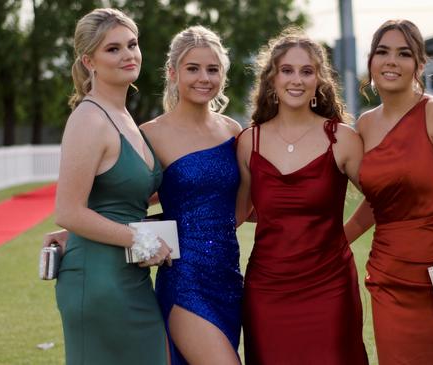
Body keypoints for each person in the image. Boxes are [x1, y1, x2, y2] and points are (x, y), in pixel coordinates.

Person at [346, 19, 433, 364]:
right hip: (389, 279)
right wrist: (333, 240)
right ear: (371, 62)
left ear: (419, 65)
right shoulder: (364, 125)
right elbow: (381, 202)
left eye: (403, 53)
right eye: (382, 52)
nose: (391, 61)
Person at [235, 28, 369, 364]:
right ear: (272, 79)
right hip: (267, 291)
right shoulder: (248, 142)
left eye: (306, 71)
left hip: (330, 288)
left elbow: (382, 199)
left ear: (318, 81)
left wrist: (342, 238)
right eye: (287, 70)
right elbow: (236, 213)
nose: (297, 80)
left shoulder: (342, 139)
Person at [49, 8, 171, 365]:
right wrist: (141, 239)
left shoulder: (124, 116)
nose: (128, 55)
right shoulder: (89, 118)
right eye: (113, 49)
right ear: (90, 61)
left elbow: (127, 195)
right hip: (97, 280)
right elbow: (68, 211)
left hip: (130, 275)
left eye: (132, 44)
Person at [139, 26, 243, 365]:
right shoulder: (151, 135)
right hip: (184, 280)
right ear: (173, 72)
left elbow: (240, 204)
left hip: (229, 276)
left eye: (213, 69)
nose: (204, 78)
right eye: (193, 68)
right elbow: (129, 204)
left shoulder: (232, 130)